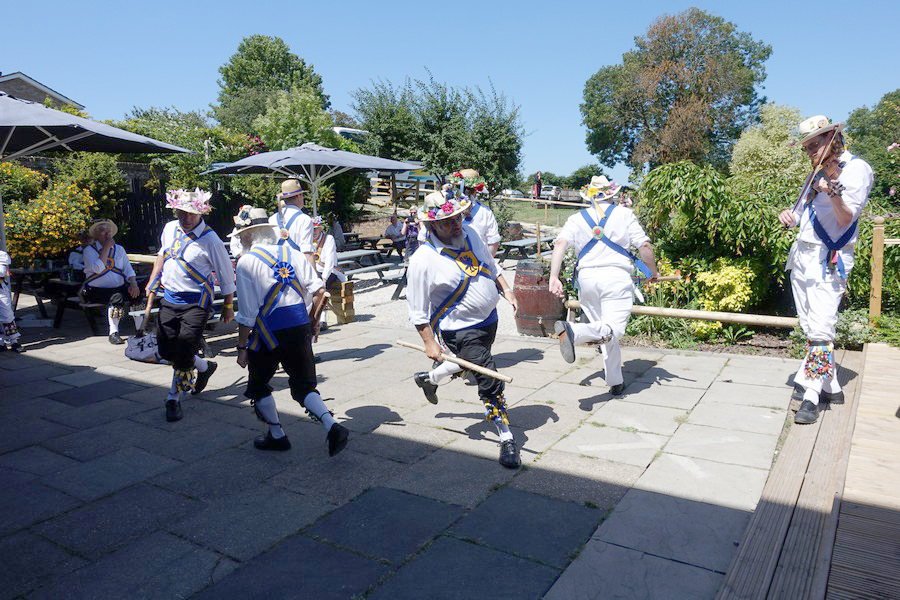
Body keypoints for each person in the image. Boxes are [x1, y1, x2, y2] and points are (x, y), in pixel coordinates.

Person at [407, 189, 521, 469]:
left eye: (458, 218)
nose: (456, 224)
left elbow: (490, 264)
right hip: (458, 328)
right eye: (448, 222)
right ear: (432, 225)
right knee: (488, 376)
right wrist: (429, 342)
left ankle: (429, 378)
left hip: (489, 320)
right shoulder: (423, 259)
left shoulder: (470, 232)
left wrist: (506, 290)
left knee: (468, 364)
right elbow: (417, 310)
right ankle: (506, 436)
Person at [778, 115, 874, 424]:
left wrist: (832, 192)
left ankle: (811, 396)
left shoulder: (856, 169)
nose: (810, 152)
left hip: (829, 259)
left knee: (821, 330)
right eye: (806, 147)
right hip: (802, 256)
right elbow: (800, 212)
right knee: (810, 326)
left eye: (814, 145)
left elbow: (845, 218)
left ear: (832, 138)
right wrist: (789, 215)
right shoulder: (817, 172)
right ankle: (832, 386)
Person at [231, 207, 349, 454]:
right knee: (304, 385)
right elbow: (320, 291)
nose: (240, 239)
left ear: (248, 235)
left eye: (241, 235)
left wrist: (242, 347)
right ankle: (332, 425)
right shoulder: (292, 253)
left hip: (267, 333)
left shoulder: (246, 263)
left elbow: (247, 314)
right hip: (299, 327)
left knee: (259, 385)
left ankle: (277, 436)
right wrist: (314, 322)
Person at [548, 175, 658, 395]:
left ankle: (615, 381)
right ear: (612, 194)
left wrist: (554, 276)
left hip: (587, 280)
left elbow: (560, 243)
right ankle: (574, 331)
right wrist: (653, 272)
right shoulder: (624, 214)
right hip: (616, 278)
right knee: (614, 329)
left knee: (605, 330)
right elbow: (644, 246)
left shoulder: (577, 218)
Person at [144, 188, 235, 422]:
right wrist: (153, 280)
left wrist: (228, 305)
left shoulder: (211, 240)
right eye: (181, 212)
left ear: (201, 213)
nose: (186, 218)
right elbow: (163, 255)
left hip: (196, 303)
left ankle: (173, 398)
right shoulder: (169, 229)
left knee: (184, 350)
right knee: (166, 349)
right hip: (169, 298)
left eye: (191, 214)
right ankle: (204, 367)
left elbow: (225, 273)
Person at [81, 219, 144, 344]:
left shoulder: (119, 249)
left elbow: (128, 269)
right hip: (96, 290)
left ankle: (140, 330)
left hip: (118, 287)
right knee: (117, 297)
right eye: (102, 230)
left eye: (108, 230)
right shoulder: (89, 250)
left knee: (137, 295)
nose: (107, 233)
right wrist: (106, 248)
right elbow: (98, 268)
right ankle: (113, 333)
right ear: (96, 234)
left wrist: (133, 284)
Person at [269, 179, 316, 272]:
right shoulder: (304, 219)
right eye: (302, 195)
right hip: (298, 270)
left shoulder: (272, 219)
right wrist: (316, 276)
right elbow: (307, 253)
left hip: (277, 270)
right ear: (298, 196)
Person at [0, 249, 24, 353]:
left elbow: (1, 272)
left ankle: (14, 341)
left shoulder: (1, 255)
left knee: (7, 315)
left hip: (0, 289)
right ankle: (1, 342)